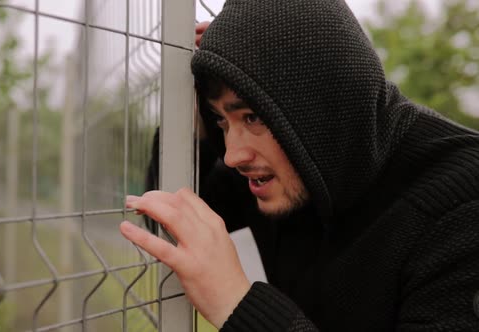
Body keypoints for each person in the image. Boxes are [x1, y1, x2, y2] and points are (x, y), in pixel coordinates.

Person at [120, 0, 479, 330]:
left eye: (254, 116)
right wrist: (199, 108)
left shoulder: (462, 207)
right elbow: (170, 224)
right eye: (222, 122)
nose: (232, 155)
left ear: (321, 101)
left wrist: (238, 304)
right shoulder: (286, 176)